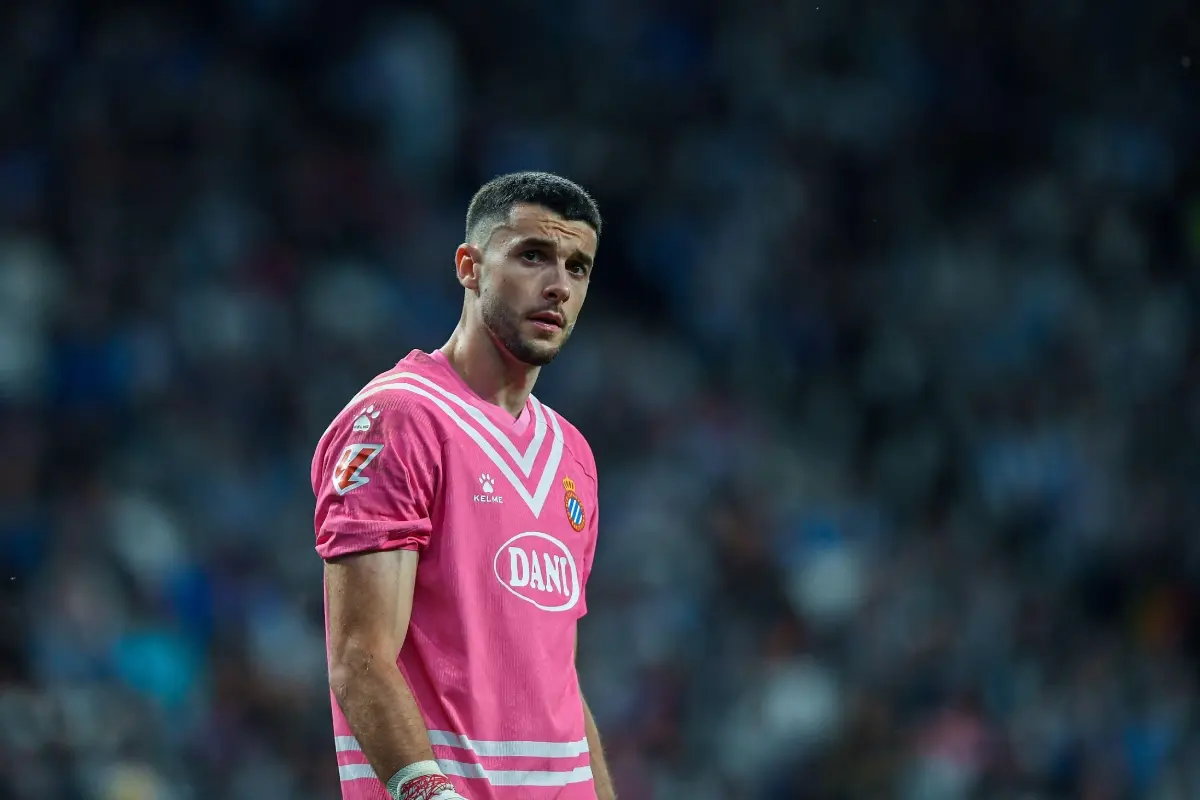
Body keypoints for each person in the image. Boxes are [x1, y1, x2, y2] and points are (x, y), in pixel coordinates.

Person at [311, 172, 615, 800]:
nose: (558, 284)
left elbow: (558, 677)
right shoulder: (400, 419)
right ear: (469, 266)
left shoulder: (573, 456)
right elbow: (360, 659)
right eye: (533, 255)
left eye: (578, 267)